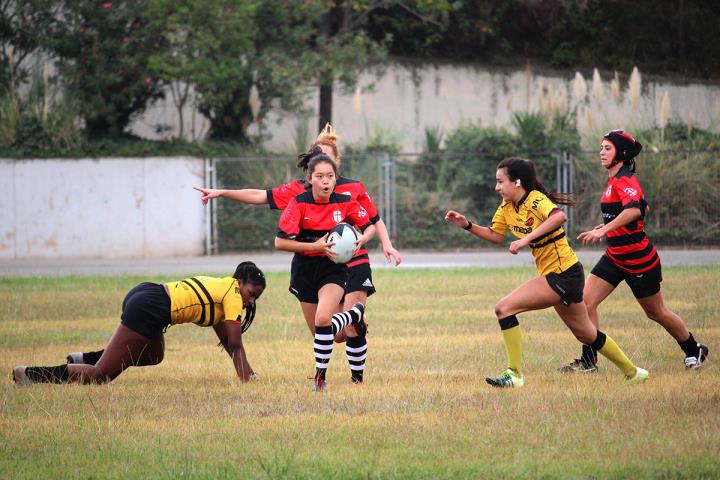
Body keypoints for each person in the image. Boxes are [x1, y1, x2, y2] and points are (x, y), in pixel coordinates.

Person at [194, 124, 400, 383]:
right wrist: (222, 192)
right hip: (312, 263)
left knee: (342, 322)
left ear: (336, 162)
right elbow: (260, 196)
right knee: (327, 332)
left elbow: (373, 219)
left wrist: (383, 243)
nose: (323, 172)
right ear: (310, 168)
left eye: (326, 161)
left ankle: (354, 378)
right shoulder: (298, 193)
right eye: (316, 158)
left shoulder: (352, 189)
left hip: (352, 261)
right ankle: (353, 320)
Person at [445, 157, 649, 388]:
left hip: (564, 274)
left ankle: (514, 375)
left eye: (500, 182)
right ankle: (633, 372)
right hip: (562, 275)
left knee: (503, 308)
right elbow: (495, 235)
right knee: (587, 335)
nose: (497, 187)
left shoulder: (535, 200)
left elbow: (559, 217)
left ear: (517, 182)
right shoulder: (507, 207)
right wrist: (467, 225)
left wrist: (526, 240)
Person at [559, 130, 709, 373]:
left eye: (607, 148)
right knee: (585, 302)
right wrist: (607, 227)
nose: (601, 152)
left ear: (622, 153)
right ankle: (589, 362)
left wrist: (603, 230)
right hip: (615, 256)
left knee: (656, 312)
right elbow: (642, 206)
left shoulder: (625, 179)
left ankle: (694, 349)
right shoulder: (614, 180)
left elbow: (634, 211)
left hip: (639, 260)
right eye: (601, 148)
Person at [12, 262, 266, 386]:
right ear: (240, 282)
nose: (250, 301)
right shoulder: (233, 294)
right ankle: (30, 375)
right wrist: (250, 380)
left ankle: (84, 358)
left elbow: (228, 342)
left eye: (256, 297)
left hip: (149, 295)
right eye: (251, 293)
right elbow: (235, 343)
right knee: (101, 376)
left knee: (154, 355)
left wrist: (247, 376)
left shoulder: (224, 291)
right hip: (150, 308)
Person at [275, 152, 375, 391]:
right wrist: (314, 246)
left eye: (330, 176)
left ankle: (320, 380)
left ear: (335, 178)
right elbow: (280, 242)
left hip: (333, 269)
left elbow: (370, 225)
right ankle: (353, 314)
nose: (326, 181)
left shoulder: (344, 201)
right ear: (310, 178)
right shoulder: (298, 203)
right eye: (320, 176)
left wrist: (362, 238)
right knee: (327, 333)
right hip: (304, 269)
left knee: (323, 319)